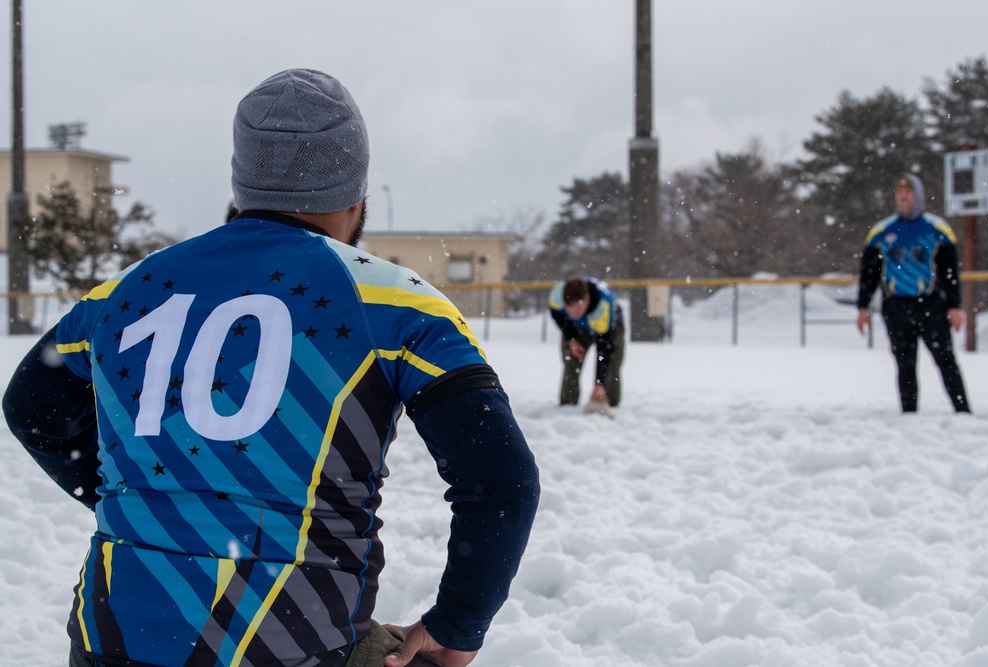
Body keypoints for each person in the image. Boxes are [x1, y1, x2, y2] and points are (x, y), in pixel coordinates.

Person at [3, 69, 539, 667]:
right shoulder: (396, 302)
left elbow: (31, 406)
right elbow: (502, 482)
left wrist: (143, 503)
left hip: (112, 638)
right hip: (291, 640)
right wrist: (457, 625)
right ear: (356, 194)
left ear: (242, 184)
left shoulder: (126, 290)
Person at [856, 172, 971, 413]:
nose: (903, 197)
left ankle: (963, 411)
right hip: (896, 307)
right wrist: (863, 306)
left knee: (945, 361)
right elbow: (869, 273)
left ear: (918, 196)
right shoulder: (881, 232)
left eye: (908, 192)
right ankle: (909, 413)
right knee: (905, 365)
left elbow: (949, 272)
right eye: (899, 193)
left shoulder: (936, 229)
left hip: (931, 306)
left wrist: (954, 305)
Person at [548, 276, 625, 411]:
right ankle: (567, 406)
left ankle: (609, 404)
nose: (574, 312)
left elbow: (604, 349)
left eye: (578, 307)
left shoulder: (602, 307)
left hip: (610, 327)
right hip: (577, 327)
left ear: (588, 299)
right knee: (571, 360)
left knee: (611, 367)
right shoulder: (557, 296)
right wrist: (571, 337)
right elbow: (556, 314)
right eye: (570, 309)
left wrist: (599, 384)